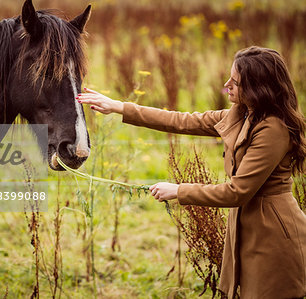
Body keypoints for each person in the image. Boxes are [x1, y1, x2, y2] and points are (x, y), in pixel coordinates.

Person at [77, 46, 306, 299]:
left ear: (257, 88)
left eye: (236, 82)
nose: (226, 85)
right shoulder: (242, 114)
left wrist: (177, 190)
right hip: (247, 225)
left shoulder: (273, 129)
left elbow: (237, 192)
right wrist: (119, 107)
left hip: (272, 232)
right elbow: (182, 120)